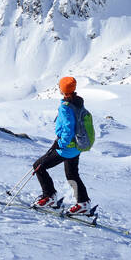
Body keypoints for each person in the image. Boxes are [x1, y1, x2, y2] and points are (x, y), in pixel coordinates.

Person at [33, 76, 93, 215]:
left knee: (38, 166)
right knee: (72, 174)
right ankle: (83, 203)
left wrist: (61, 143)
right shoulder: (78, 102)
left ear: (62, 90)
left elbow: (68, 128)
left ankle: (49, 197)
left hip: (67, 147)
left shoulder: (66, 107)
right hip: (77, 146)